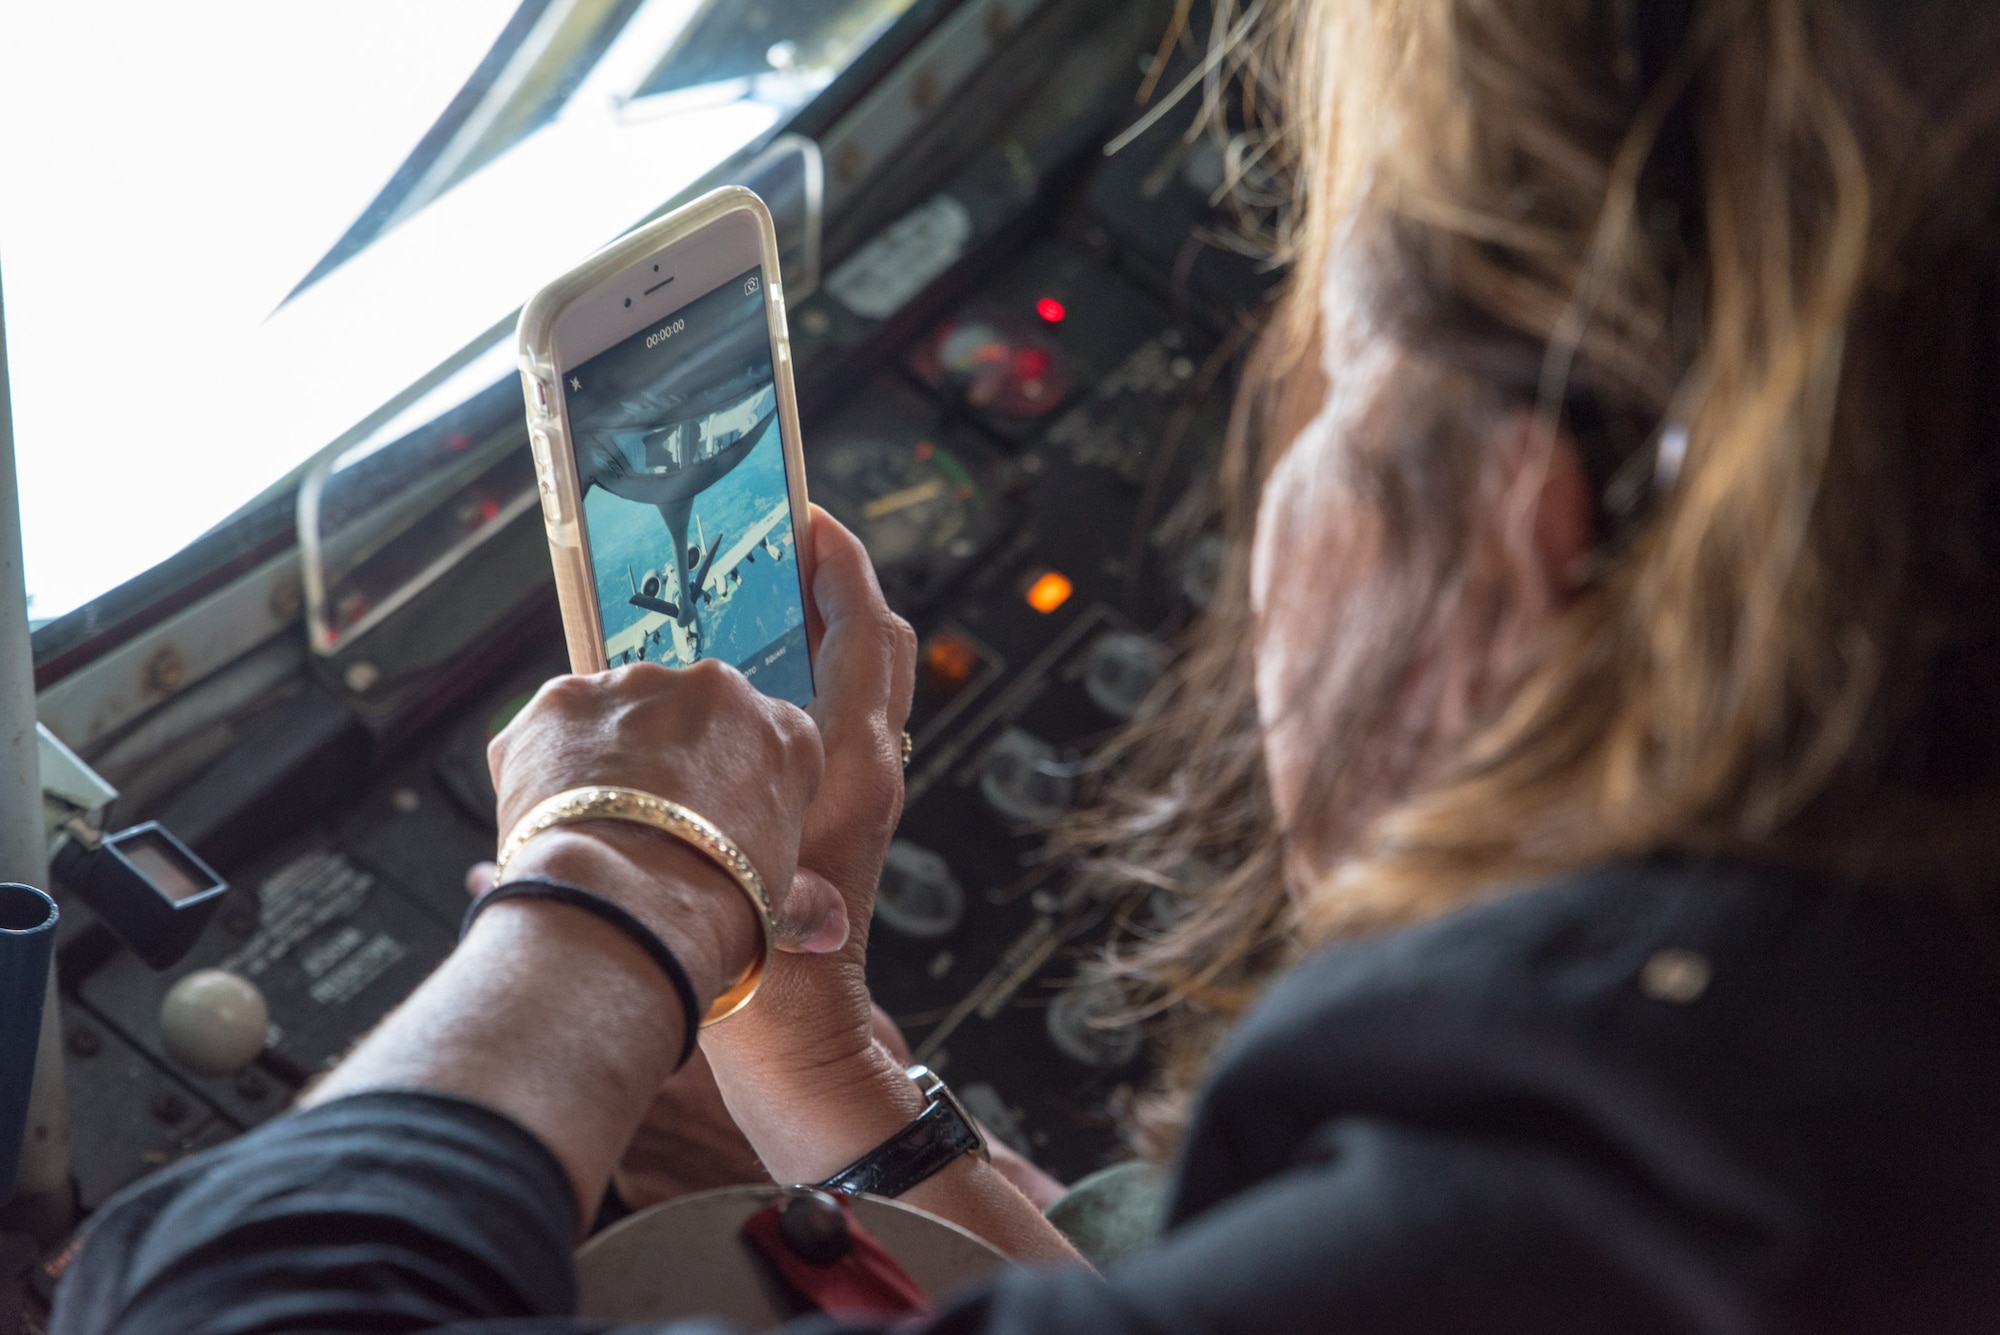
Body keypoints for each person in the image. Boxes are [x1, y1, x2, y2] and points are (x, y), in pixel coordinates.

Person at [51, 0, 2000, 1330]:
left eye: (1336, 341)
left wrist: (618, 872)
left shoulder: (1629, 1201)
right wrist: (831, 1071)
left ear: (1536, 514)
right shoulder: (1831, 1082)